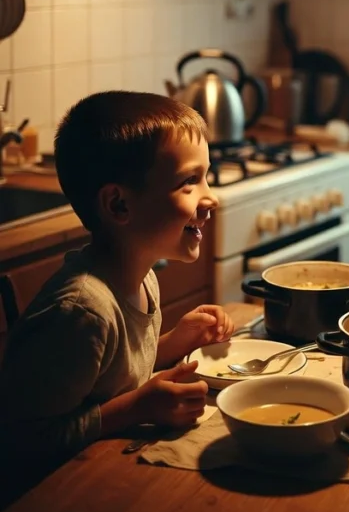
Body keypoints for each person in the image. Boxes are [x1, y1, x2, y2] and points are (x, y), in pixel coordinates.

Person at [0, 90, 235, 481]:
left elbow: (113, 373)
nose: (211, 197)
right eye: (189, 181)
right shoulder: (82, 311)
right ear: (119, 205)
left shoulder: (143, 278)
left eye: (205, 176)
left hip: (107, 472)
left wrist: (178, 341)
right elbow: (19, 439)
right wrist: (135, 410)